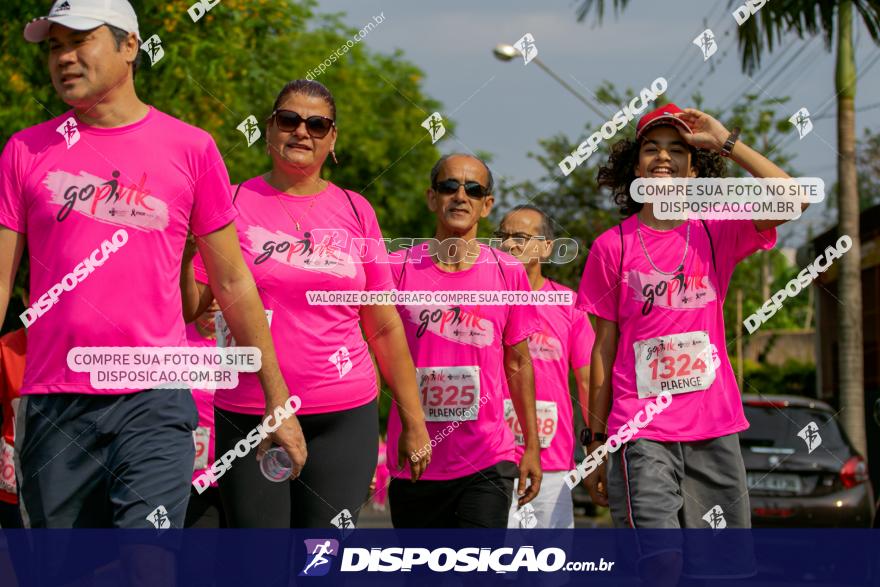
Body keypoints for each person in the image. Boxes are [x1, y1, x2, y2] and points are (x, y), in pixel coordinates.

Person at [0, 0, 305, 538]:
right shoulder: (24, 151)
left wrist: (276, 397)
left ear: (129, 46)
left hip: (153, 399)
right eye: (54, 47)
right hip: (52, 401)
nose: (64, 58)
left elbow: (233, 281)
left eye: (79, 41)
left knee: (148, 558)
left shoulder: (192, 149)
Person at [181, 79, 430, 528]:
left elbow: (385, 326)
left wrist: (413, 418)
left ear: (332, 138)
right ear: (268, 128)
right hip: (249, 413)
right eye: (289, 120)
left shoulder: (357, 211)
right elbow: (193, 307)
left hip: (344, 414)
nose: (302, 131)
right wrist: (185, 252)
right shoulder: (231, 201)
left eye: (317, 124)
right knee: (261, 565)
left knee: (323, 561)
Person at [578, 104, 806, 578]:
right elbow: (602, 351)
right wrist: (596, 443)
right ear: (635, 166)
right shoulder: (612, 247)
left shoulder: (714, 229)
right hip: (640, 432)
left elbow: (793, 198)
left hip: (713, 430)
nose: (663, 157)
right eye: (651, 148)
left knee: (723, 573)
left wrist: (726, 141)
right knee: (658, 563)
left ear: (695, 167)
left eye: (678, 149)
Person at [385, 153, 543, 528]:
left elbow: (518, 363)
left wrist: (532, 446)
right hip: (416, 459)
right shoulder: (396, 269)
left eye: (473, 189)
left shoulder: (508, 273)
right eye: (448, 186)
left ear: (486, 205)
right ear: (431, 197)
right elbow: (377, 360)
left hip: (487, 458)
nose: (460, 195)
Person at [496, 205, 594, 529]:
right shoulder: (482, 300)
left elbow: (588, 384)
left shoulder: (568, 306)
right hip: (492, 461)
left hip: (552, 465)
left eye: (521, 237)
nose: (510, 245)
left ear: (547, 247)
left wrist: (595, 456)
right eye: (503, 237)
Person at [184, 303, 226, 528]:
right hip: (191, 481)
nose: (211, 302)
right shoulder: (175, 338)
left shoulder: (249, 341)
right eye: (202, 288)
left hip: (239, 477)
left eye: (215, 289)